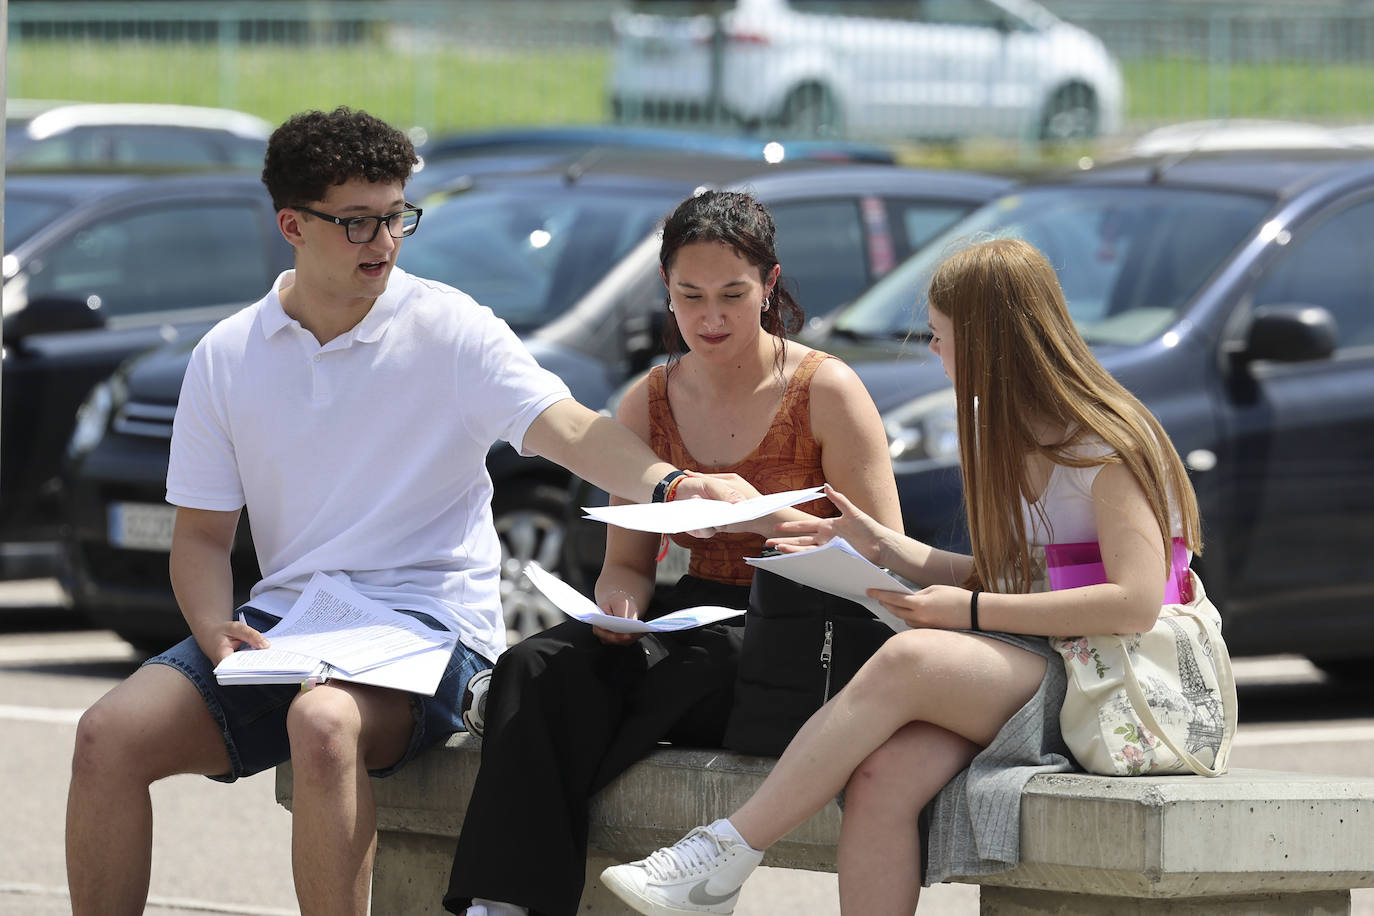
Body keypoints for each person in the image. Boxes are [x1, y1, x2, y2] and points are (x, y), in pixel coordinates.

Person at [63, 106, 746, 916]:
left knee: (322, 725)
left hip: (432, 634)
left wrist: (671, 485)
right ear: (293, 224)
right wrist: (215, 630)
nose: (383, 242)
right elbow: (202, 541)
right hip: (283, 630)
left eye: (396, 218)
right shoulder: (227, 355)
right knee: (106, 735)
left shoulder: (449, 329)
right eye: (357, 223)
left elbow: (565, 428)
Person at [599, 236, 1205, 915]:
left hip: (1125, 675)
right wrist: (883, 547)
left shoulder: (1108, 441)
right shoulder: (1008, 432)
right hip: (1060, 660)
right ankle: (719, 866)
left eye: (941, 337)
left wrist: (968, 614)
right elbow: (1018, 576)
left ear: (989, 342)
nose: (934, 353)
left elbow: (1134, 603)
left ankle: (724, 854)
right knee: (880, 777)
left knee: (912, 656)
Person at [443, 189, 903, 916]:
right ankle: (503, 905)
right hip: (694, 615)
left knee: (692, 666)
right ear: (666, 290)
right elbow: (627, 562)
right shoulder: (647, 400)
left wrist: (756, 522)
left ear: (770, 285)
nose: (711, 318)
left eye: (732, 294)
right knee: (534, 668)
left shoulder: (825, 390)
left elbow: (889, 557)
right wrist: (620, 609)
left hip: (805, 619)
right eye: (690, 296)